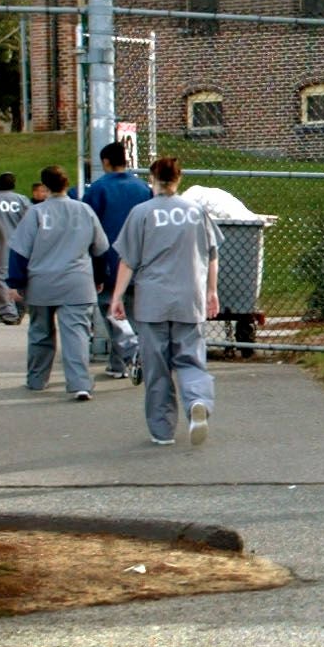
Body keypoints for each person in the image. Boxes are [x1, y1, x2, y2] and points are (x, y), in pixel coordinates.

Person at [108, 156, 221, 449]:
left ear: (153, 179)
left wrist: (118, 296)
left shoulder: (141, 213)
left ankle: (162, 430)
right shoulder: (196, 212)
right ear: (178, 179)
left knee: (156, 367)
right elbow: (211, 254)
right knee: (191, 358)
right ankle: (197, 401)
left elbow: (128, 260)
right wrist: (212, 291)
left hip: (152, 301)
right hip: (189, 297)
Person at [9, 164, 109, 402]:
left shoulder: (36, 213)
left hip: (42, 282)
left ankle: (37, 379)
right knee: (76, 334)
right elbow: (101, 249)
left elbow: (20, 251)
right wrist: (99, 277)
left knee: (40, 332)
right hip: (77, 281)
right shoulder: (84, 211)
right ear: (67, 184)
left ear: (44, 186)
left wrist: (16, 281)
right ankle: (80, 383)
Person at [74, 142, 152, 378]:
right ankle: (122, 362)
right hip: (140, 260)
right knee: (133, 312)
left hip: (109, 260)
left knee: (112, 310)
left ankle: (130, 355)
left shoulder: (97, 190)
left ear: (106, 162)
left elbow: (87, 227)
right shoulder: (142, 188)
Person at [0, 173, 32, 325]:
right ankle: (21, 308)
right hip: (21, 246)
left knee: (0, 279)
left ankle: (8, 312)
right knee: (22, 279)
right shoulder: (21, 200)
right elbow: (31, 221)